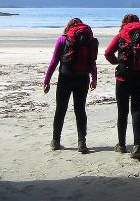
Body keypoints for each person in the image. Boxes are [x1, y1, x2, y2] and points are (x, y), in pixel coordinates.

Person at [104, 13, 140, 159]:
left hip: (123, 78)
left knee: (122, 111)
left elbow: (107, 52)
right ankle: (137, 145)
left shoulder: (121, 35)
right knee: (136, 110)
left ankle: (121, 145)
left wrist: (117, 61)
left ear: (124, 23)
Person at [42, 17, 98, 153]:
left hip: (65, 78)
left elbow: (54, 61)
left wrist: (46, 80)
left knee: (60, 109)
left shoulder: (63, 39)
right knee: (80, 110)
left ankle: (55, 141)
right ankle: (82, 143)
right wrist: (94, 78)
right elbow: (92, 61)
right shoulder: (89, 40)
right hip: (83, 78)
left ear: (69, 27)